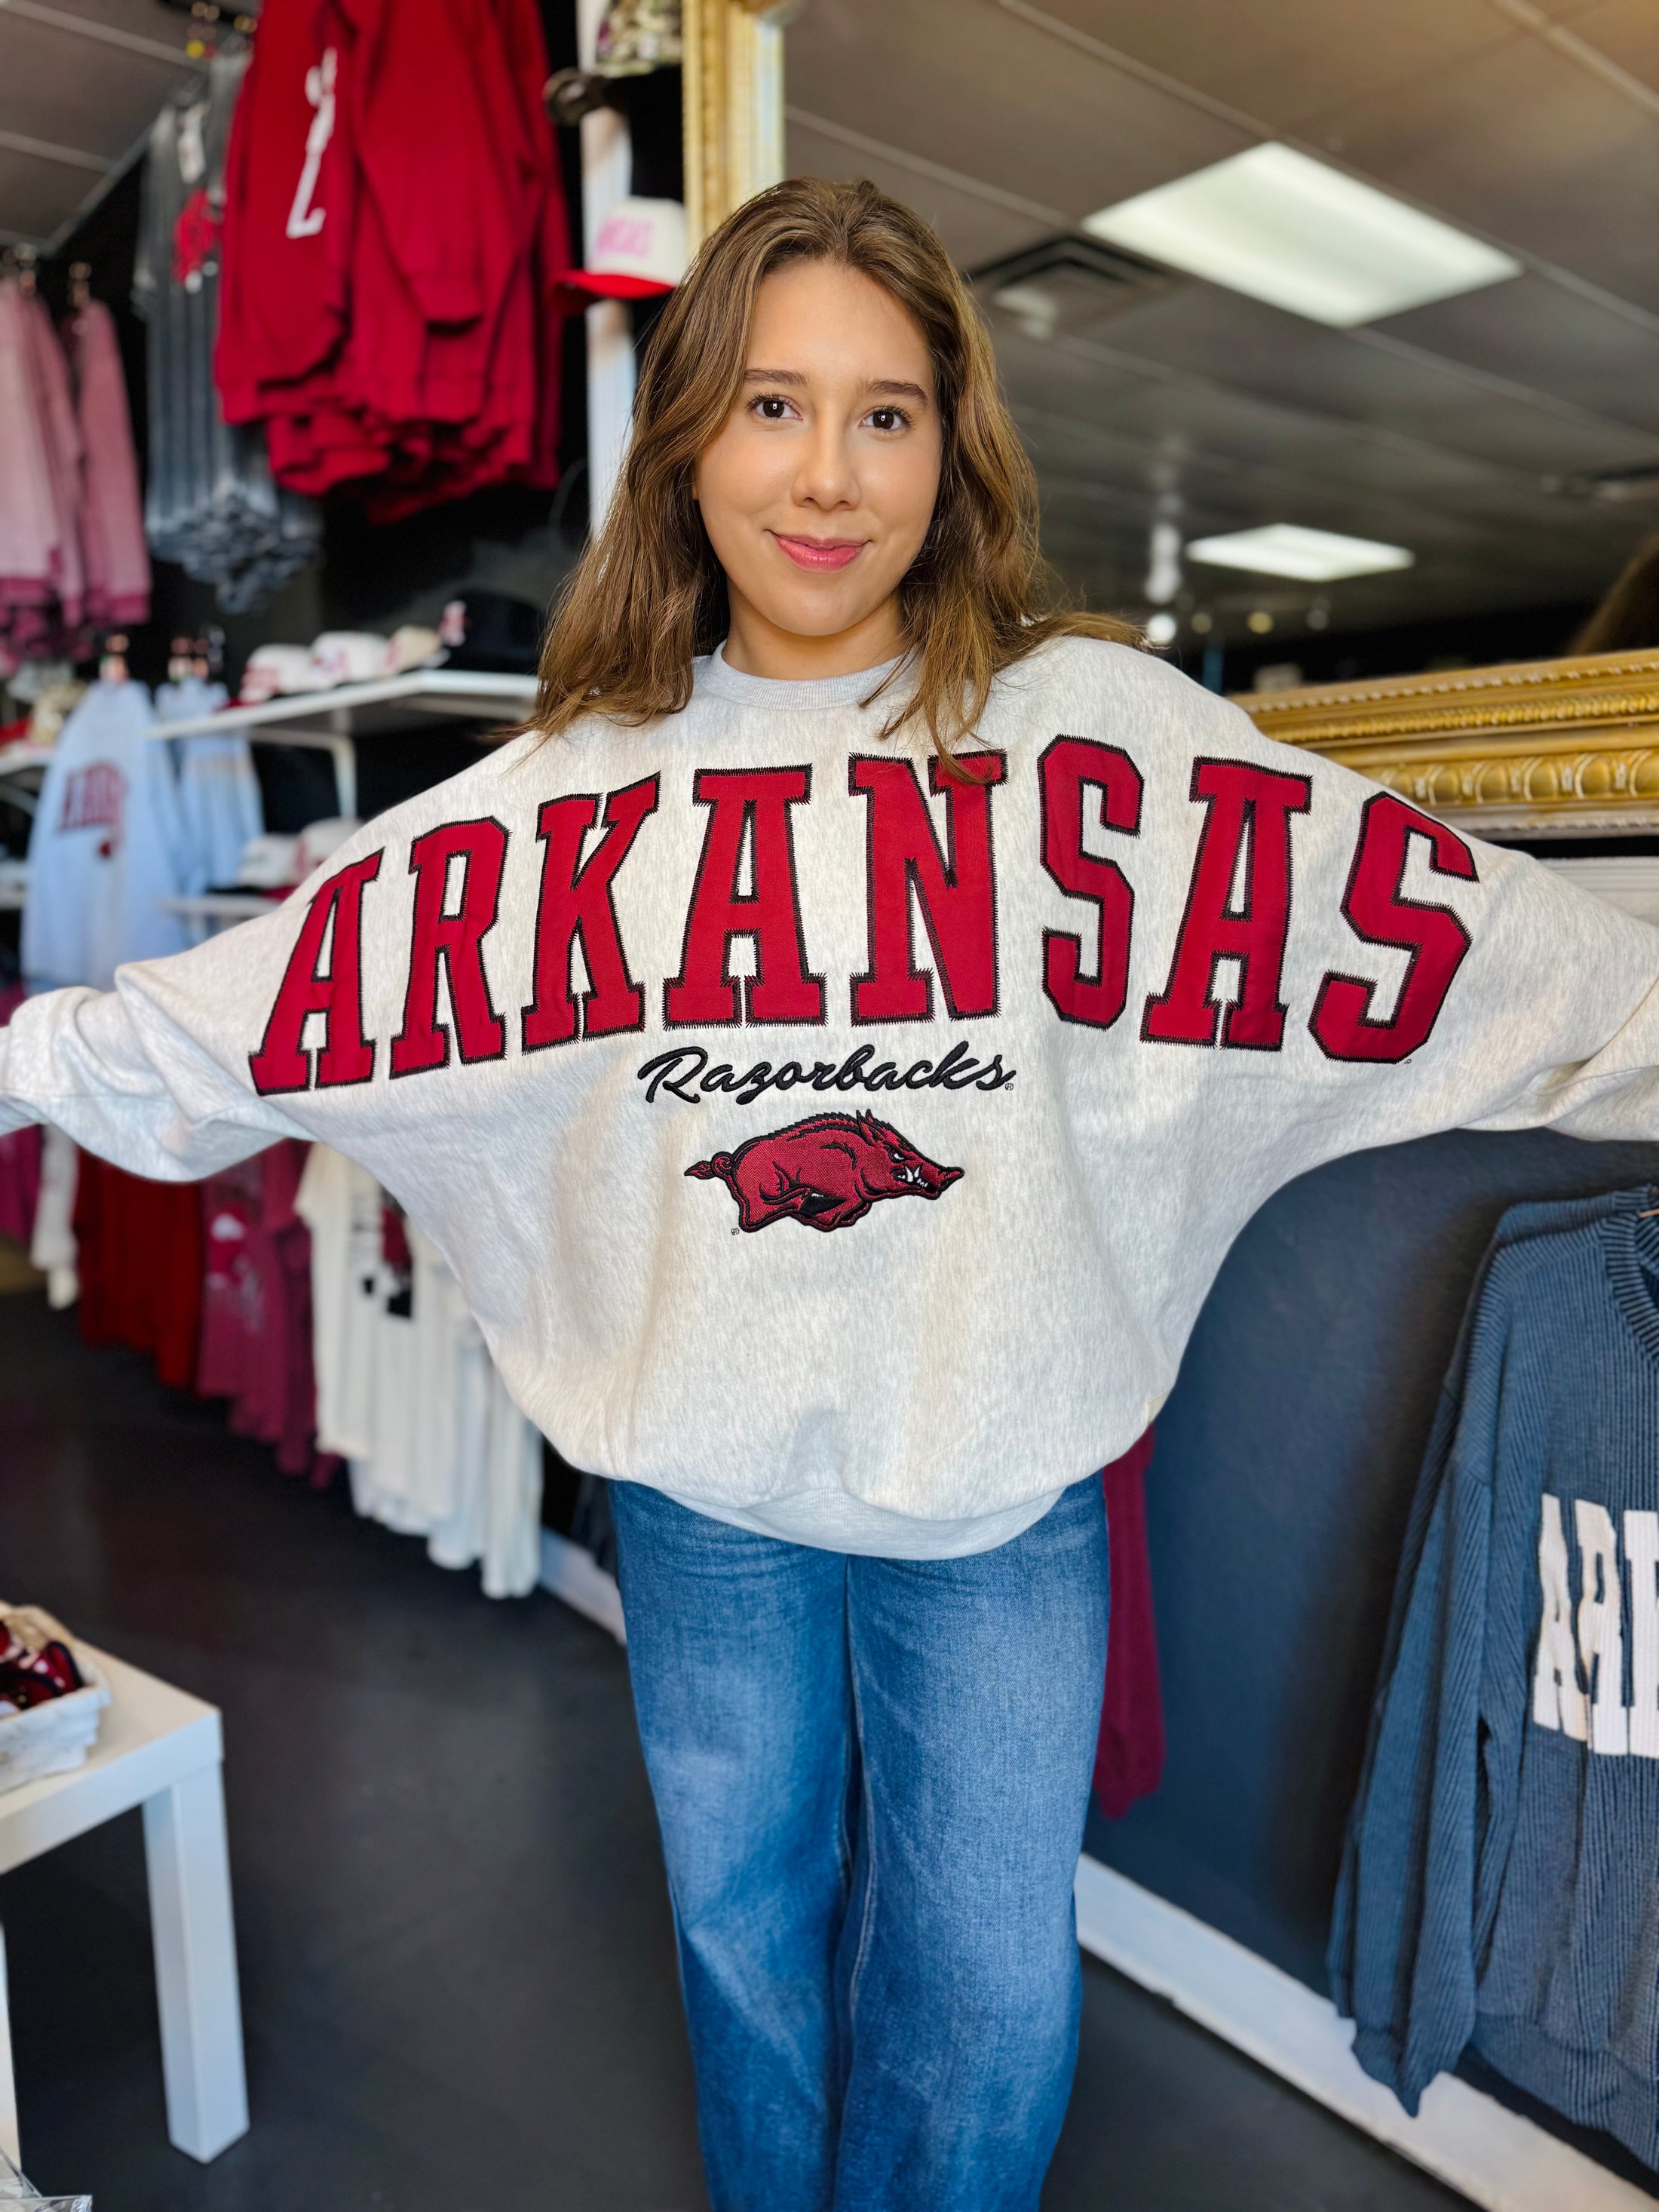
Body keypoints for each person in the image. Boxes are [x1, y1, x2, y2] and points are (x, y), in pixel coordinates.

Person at [6, 176, 1659, 2210]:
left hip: (1003, 1503)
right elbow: (229, 1022)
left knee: (983, 2001)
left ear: (952, 447)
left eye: (887, 414)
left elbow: (1504, 957)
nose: (828, 473)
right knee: (740, 1950)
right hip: (702, 1509)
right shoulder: (566, 799)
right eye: (775, 404)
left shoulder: (1099, 745)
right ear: (692, 430)